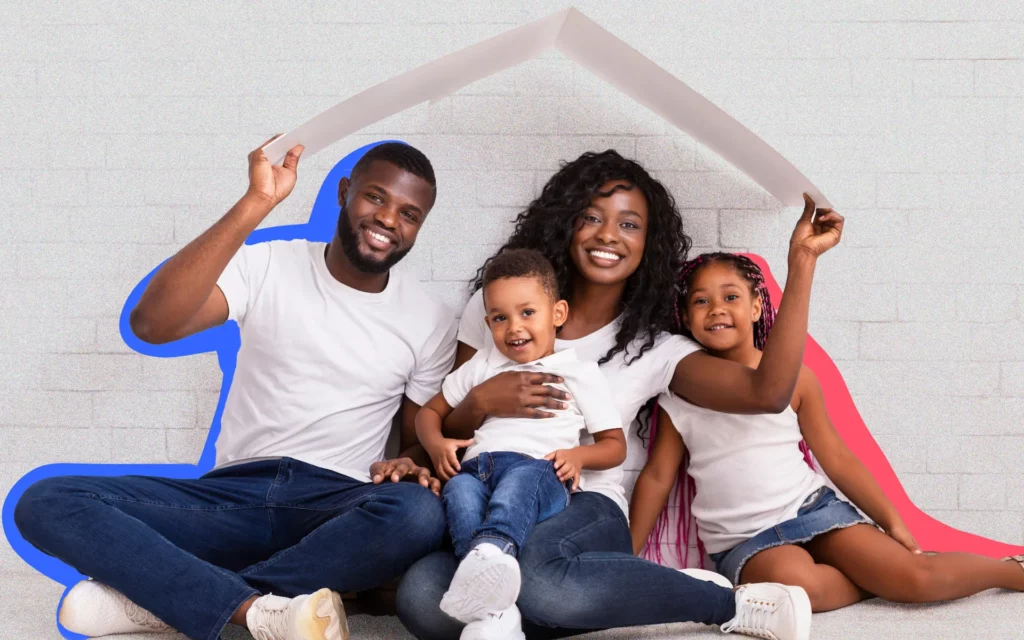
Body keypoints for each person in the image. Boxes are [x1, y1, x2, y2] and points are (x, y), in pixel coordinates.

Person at [13, 138, 457, 640]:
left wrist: (412, 460)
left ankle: (175, 605)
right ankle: (257, 608)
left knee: (419, 513)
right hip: (230, 499)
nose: (388, 220)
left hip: (332, 507)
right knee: (46, 500)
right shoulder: (268, 263)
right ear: (343, 191)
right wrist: (256, 204)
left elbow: (417, 433)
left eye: (410, 214)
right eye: (376, 197)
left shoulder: (431, 319)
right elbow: (152, 324)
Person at [395, 149, 842, 640]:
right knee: (421, 597)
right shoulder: (501, 309)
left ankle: (723, 602)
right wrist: (481, 404)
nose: (608, 235)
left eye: (629, 225)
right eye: (591, 218)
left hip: (586, 505)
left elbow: (768, 392)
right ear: (566, 225)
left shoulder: (657, 349)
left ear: (648, 244)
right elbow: (453, 428)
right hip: (491, 502)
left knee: (542, 585)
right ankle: (585, 600)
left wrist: (801, 265)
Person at [631, 252, 1024, 612]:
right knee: (800, 589)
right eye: (701, 301)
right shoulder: (678, 394)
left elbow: (836, 456)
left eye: (730, 297)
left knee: (918, 579)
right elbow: (658, 475)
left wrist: (892, 520)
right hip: (745, 540)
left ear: (756, 307)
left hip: (813, 510)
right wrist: (627, 555)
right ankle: (879, 580)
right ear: (684, 315)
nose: (716, 309)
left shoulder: (797, 382)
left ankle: (1011, 572)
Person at [416, 248, 626, 635]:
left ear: (557, 314)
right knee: (459, 489)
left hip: (540, 471)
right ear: (488, 322)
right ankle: (488, 597)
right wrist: (435, 445)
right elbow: (428, 413)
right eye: (500, 318)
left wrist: (578, 456)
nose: (514, 328)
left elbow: (615, 445)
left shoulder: (578, 373)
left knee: (519, 483)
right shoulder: (481, 366)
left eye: (528, 312)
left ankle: (494, 552)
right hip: (479, 470)